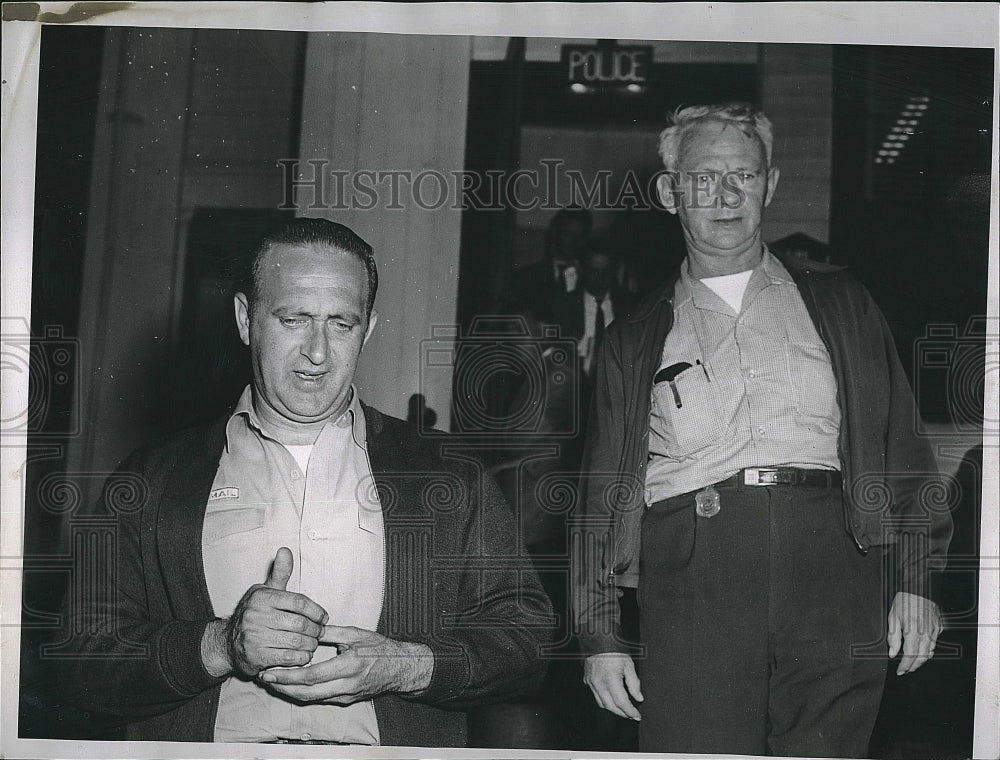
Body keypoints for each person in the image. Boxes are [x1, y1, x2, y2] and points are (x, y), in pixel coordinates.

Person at [59, 218, 553, 747]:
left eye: (342, 324)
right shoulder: (152, 478)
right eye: (294, 319)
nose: (317, 352)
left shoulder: (448, 475)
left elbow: (526, 638)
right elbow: (77, 657)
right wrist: (220, 645)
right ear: (246, 319)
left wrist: (407, 667)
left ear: (370, 328)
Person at [571, 102, 952, 757]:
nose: (725, 194)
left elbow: (903, 450)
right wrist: (599, 635)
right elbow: (600, 496)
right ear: (670, 193)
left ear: (769, 186)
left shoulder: (842, 302)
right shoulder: (630, 340)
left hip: (835, 567)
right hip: (697, 572)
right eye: (703, 178)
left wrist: (917, 581)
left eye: (743, 176)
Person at [551, 241, 630, 379]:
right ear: (582, 269)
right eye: (593, 270)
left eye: (605, 271)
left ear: (615, 271)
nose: (599, 277)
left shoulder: (629, 308)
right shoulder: (563, 306)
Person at [516, 206, 593, 321]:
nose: (575, 241)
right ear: (555, 233)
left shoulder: (596, 276)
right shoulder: (527, 277)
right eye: (568, 234)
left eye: (581, 236)